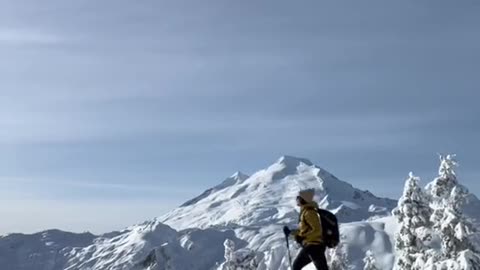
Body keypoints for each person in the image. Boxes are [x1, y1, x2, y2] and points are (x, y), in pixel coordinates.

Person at [283, 189, 329, 270]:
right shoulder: (306, 212)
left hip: (313, 246)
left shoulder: (309, 213)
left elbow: (317, 229)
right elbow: (304, 230)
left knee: (296, 266)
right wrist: (291, 232)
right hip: (315, 246)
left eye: (298, 198)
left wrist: (303, 237)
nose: (297, 200)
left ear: (303, 199)